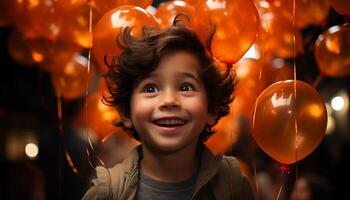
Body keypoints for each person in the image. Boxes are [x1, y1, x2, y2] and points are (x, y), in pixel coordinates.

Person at [82, 18, 255, 200]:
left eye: (185, 87)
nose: (169, 100)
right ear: (126, 112)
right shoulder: (107, 194)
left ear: (211, 109)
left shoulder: (233, 186)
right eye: (150, 89)